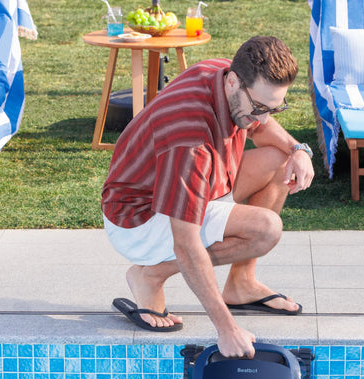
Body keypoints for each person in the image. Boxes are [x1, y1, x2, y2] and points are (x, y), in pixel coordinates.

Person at [102, 36, 315, 359]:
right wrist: (226, 329)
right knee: (265, 229)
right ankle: (150, 275)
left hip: (196, 184)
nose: (261, 118)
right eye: (259, 108)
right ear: (233, 83)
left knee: (279, 160)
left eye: (274, 108)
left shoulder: (222, 72)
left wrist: (297, 149)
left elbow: (261, 129)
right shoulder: (190, 141)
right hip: (140, 219)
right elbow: (186, 245)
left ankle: (241, 283)